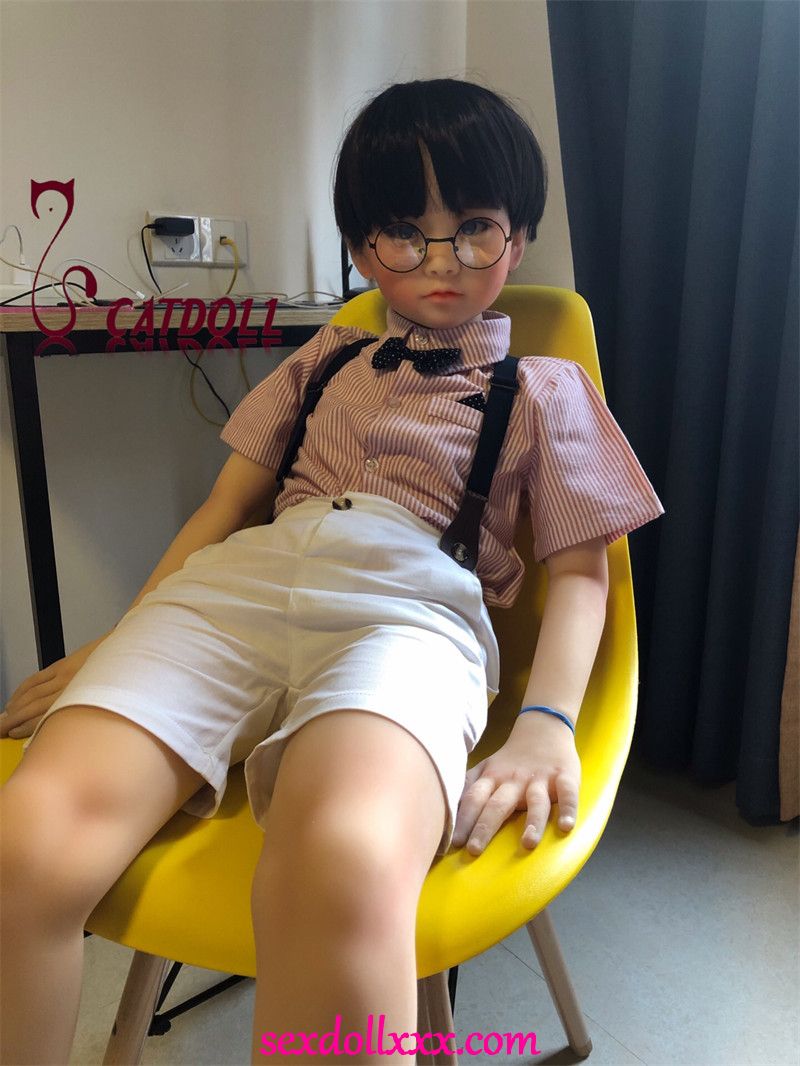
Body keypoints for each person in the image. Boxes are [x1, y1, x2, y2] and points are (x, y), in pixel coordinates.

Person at [0, 77, 664, 1065]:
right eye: (403, 231)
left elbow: (579, 574)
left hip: (411, 610)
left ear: (518, 237)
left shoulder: (546, 388)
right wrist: (118, 641)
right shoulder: (321, 361)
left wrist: (547, 721)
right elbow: (222, 512)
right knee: (26, 839)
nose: (440, 260)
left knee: (341, 863)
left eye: (473, 228)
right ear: (360, 248)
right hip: (235, 590)